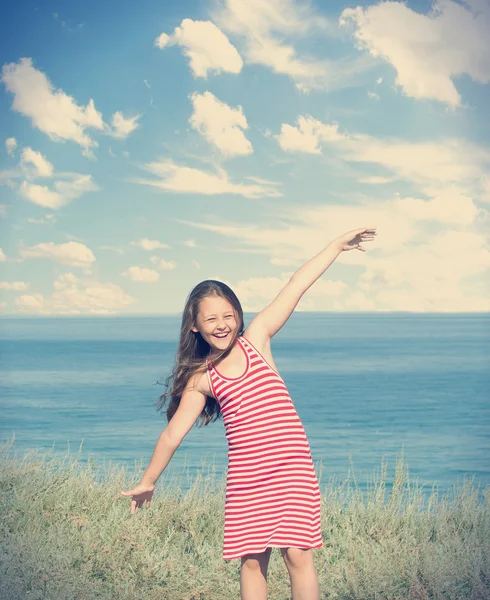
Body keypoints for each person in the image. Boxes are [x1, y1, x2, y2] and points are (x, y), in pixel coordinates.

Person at [121, 226, 377, 600]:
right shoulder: (201, 379)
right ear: (195, 325)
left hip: (291, 467)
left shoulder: (257, 339)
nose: (222, 324)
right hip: (249, 478)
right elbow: (172, 435)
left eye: (228, 315)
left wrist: (336, 246)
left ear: (239, 315)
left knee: (298, 554)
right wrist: (149, 480)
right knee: (253, 561)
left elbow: (295, 285)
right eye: (211, 319)